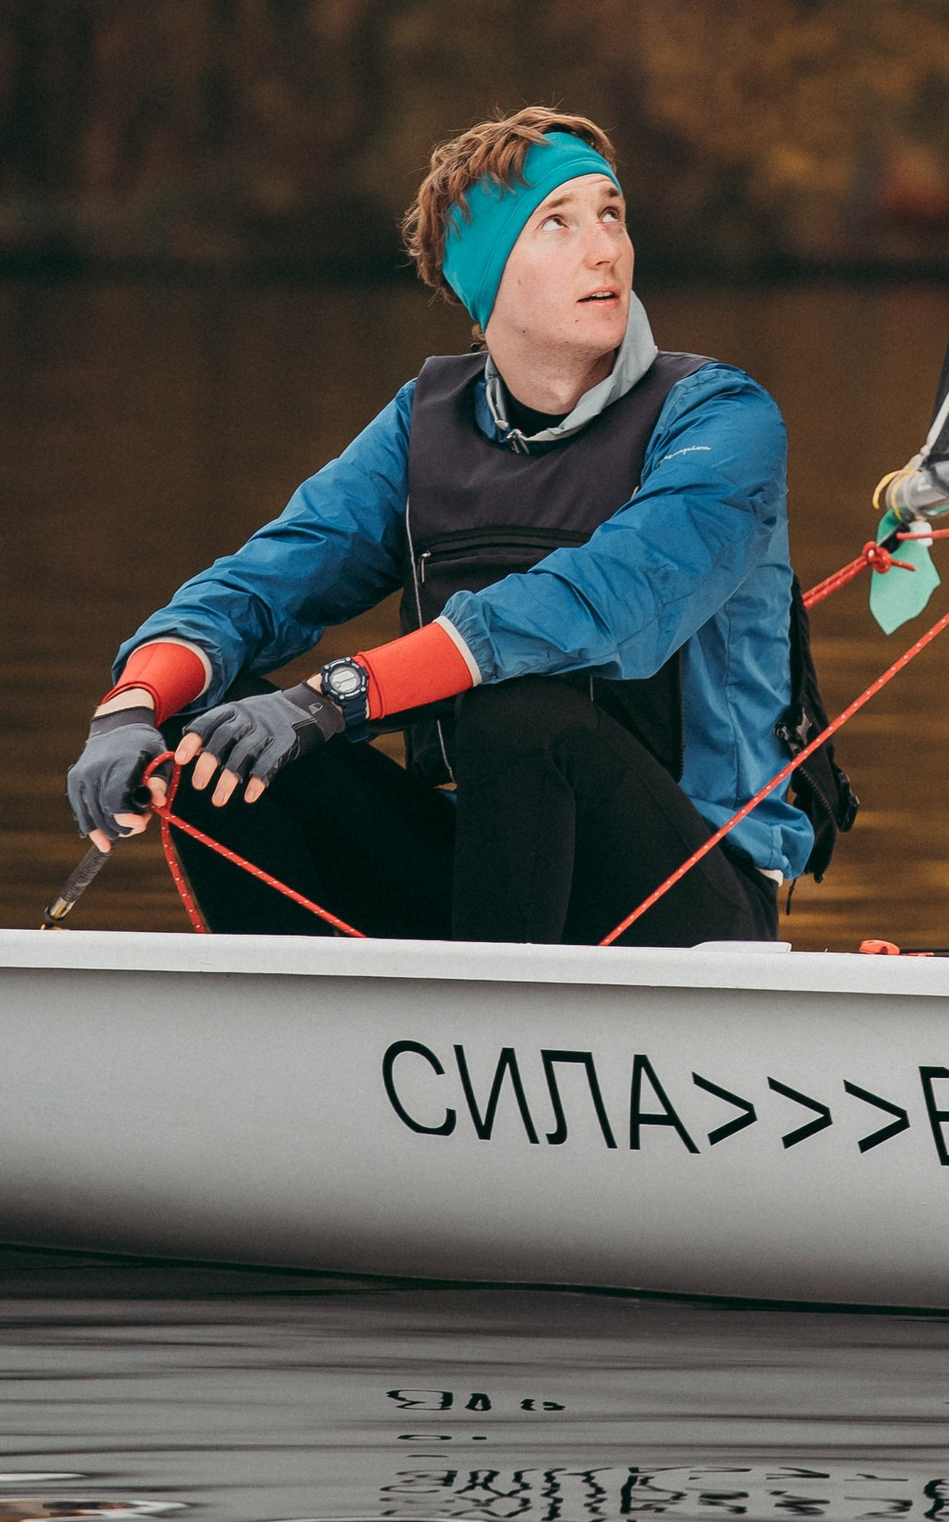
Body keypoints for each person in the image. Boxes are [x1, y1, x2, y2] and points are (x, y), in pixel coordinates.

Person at [62, 107, 838, 945]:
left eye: (612, 213)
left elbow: (599, 601)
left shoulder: (726, 420)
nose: (606, 248)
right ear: (488, 274)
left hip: (696, 894)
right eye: (559, 223)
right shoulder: (421, 427)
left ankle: (479, 1027)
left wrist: (339, 696)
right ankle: (284, 1031)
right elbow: (258, 585)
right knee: (213, 735)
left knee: (517, 712)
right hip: (496, 883)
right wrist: (131, 707)